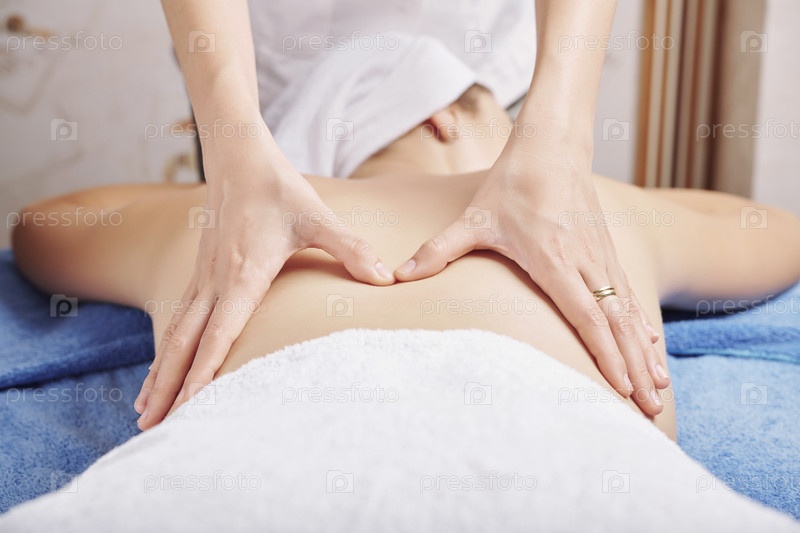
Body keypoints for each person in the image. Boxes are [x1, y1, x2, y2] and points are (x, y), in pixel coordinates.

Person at [12, 85, 800, 439]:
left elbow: (43, 227)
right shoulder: (594, 216)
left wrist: (221, 179)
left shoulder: (219, 234)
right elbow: (773, 232)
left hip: (251, 454)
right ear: (444, 118)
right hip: (576, 458)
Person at [143, 0, 668, 429]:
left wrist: (232, 151)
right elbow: (730, 228)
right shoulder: (608, 216)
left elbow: (84, 221)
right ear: (443, 119)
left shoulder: (222, 231)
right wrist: (562, 141)